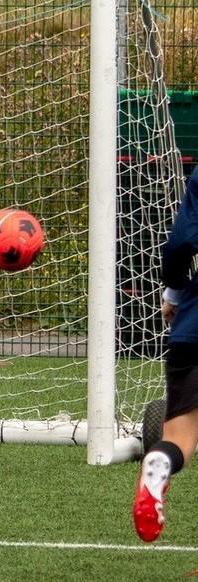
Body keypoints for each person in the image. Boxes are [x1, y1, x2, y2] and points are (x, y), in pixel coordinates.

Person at [133, 164, 198, 543]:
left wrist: (173, 293)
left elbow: (180, 242)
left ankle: (161, 462)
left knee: (180, 437)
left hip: (192, 324)